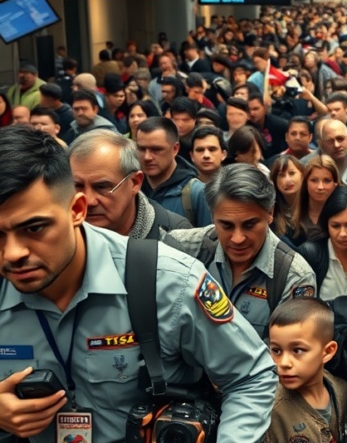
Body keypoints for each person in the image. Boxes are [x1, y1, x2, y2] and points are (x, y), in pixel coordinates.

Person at [0, 126, 276, 443]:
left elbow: (250, 376)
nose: (13, 254)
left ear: (76, 210)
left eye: (34, 228)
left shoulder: (168, 280)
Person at [167, 164, 316, 337]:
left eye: (249, 225)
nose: (238, 238)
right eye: (227, 226)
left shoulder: (295, 277)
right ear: (212, 214)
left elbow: (288, 354)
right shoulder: (184, 248)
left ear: (270, 213)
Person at [69, 129, 191, 241]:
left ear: (135, 182)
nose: (89, 201)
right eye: (78, 186)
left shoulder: (174, 236)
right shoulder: (61, 233)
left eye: (102, 187)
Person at [265, 298, 347, 443]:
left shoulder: (343, 391)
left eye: (297, 350)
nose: (283, 363)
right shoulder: (269, 410)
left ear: (328, 351)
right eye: (276, 350)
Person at [297, 187, 347, 300]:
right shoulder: (309, 253)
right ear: (326, 224)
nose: (343, 234)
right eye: (335, 226)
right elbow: (299, 305)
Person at [136, 117, 213, 227]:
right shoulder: (132, 189)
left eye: (156, 149)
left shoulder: (197, 193)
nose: (147, 157)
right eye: (142, 149)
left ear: (175, 149)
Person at [293, 155, 341, 245]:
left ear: (335, 183)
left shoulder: (345, 217)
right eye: (314, 180)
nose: (320, 187)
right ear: (306, 182)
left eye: (326, 181)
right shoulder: (294, 223)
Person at [310, 119, 347, 185]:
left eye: (340, 138)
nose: (336, 145)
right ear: (320, 144)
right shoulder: (309, 167)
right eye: (330, 141)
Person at [270, 155, 304, 239]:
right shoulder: (272, 211)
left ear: (303, 175)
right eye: (281, 175)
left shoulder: (314, 204)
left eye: (292, 173)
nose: (287, 180)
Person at [248, 92, 288, 158]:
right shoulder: (246, 126)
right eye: (249, 110)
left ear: (264, 108)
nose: (252, 113)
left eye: (256, 109)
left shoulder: (279, 124)